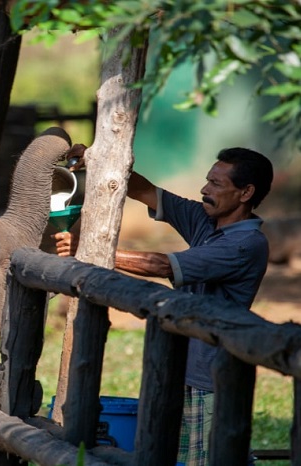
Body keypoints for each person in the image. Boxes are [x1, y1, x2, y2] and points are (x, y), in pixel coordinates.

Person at [54, 145, 273, 465]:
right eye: (207, 180)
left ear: (245, 193)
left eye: (216, 184)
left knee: (215, 458)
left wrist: (90, 249)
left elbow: (162, 265)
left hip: (214, 376)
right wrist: (99, 158)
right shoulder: (206, 221)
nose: (204, 189)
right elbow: (143, 190)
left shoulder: (244, 244)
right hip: (182, 369)